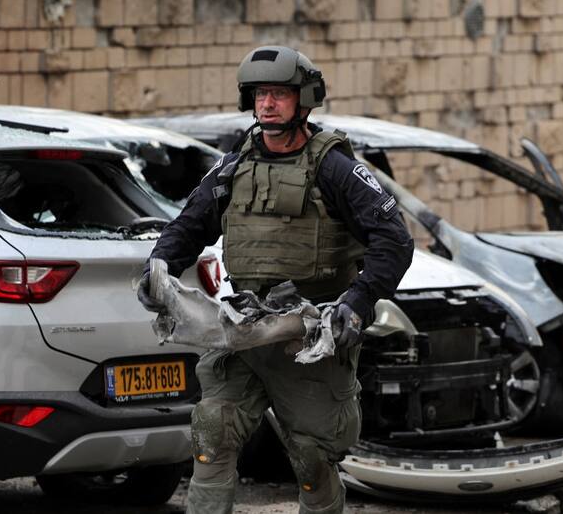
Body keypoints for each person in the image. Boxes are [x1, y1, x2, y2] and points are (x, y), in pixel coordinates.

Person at [138, 46, 414, 514]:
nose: (267, 104)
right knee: (212, 434)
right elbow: (189, 225)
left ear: (304, 99)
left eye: (279, 94)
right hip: (243, 330)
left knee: (311, 457)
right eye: (261, 94)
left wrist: (358, 302)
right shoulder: (235, 165)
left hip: (309, 334)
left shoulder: (335, 168)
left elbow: (394, 239)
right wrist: (158, 267)